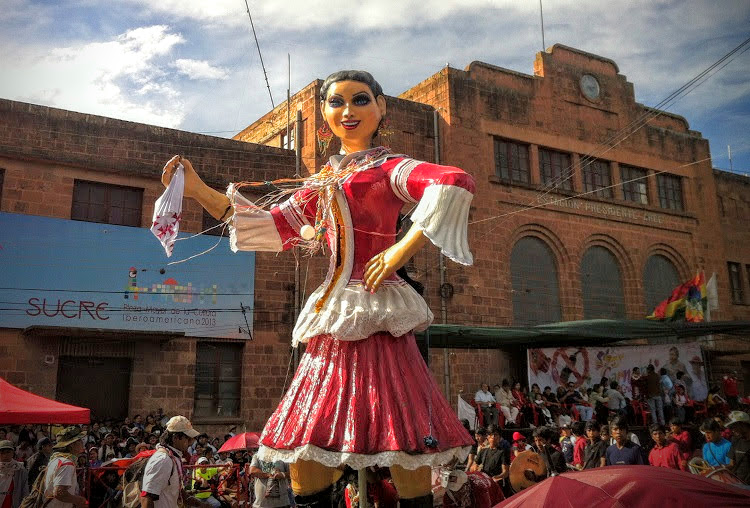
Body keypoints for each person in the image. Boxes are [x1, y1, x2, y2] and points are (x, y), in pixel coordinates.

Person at [162, 69, 476, 507]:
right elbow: (266, 227)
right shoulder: (320, 183)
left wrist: (401, 250)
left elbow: (453, 180)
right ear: (325, 113)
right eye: (336, 102)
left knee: (407, 451)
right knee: (305, 460)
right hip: (332, 320)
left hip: (378, 313)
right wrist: (196, 190)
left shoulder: (390, 169)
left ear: (381, 108)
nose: (348, 111)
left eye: (360, 100)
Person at [141, 415, 207, 508]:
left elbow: (176, 490)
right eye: (187, 438)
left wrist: (199, 504)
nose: (190, 442)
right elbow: (147, 497)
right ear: (175, 437)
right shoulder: (163, 459)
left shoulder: (173, 457)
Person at [44, 427, 87, 508]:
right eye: (79, 440)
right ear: (71, 445)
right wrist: (79, 500)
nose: (82, 442)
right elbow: (60, 493)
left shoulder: (56, 459)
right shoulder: (66, 464)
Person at [0, 440, 29, 508]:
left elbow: (25, 489)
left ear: (13, 453)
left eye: (8, 452)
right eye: (2, 453)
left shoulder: (20, 469)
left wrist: (24, 504)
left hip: (13, 502)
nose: (5, 455)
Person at [726, 411, 750, 483]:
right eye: (731, 427)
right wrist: (718, 469)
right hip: (738, 484)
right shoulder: (735, 440)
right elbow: (732, 464)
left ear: (744, 424)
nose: (733, 430)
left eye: (734, 426)